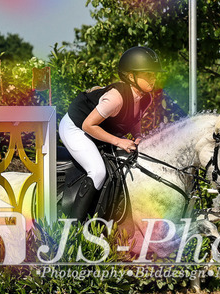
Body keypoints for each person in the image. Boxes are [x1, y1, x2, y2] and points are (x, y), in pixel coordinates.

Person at [58, 46, 163, 221]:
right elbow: (88, 125)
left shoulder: (146, 97)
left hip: (101, 129)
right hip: (76, 127)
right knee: (98, 172)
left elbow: (134, 119)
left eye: (154, 74)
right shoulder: (116, 97)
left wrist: (138, 136)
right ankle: (74, 227)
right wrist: (119, 141)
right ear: (131, 76)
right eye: (148, 74)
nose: (153, 78)